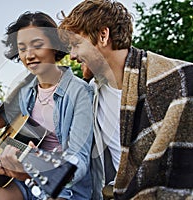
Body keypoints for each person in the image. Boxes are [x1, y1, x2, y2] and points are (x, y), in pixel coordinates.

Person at [0, 11, 95, 200]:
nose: (29, 55)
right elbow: (6, 118)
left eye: (37, 45)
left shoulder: (80, 92)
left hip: (67, 189)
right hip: (22, 182)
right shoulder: (26, 91)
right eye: (22, 48)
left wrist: (34, 167)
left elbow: (80, 162)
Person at [59, 0, 193, 199]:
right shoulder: (92, 94)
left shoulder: (178, 79)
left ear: (103, 36)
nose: (72, 55)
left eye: (77, 44)